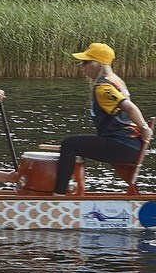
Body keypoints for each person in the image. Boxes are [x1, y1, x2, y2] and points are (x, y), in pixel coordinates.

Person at [53, 41, 150, 194]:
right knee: (79, 145)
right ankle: (75, 192)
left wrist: (144, 127)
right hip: (129, 144)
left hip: (122, 145)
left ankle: (57, 196)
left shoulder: (103, 88)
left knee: (69, 145)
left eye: (85, 62)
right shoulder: (116, 80)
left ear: (98, 64)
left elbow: (130, 107)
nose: (82, 66)